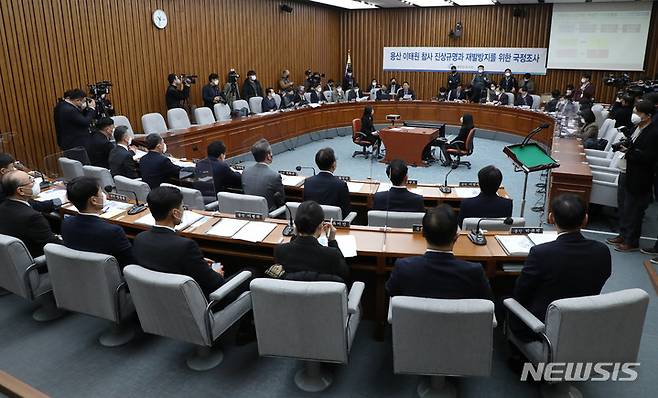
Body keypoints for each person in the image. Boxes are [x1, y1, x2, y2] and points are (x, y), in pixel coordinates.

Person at [512, 193, 611, 341]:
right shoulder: (602, 251)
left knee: (503, 299)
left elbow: (520, 293)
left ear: (551, 218)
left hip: (541, 327)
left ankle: (516, 353)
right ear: (585, 219)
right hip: (583, 321)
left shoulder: (541, 253)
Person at [132, 186, 226, 298]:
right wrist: (217, 274)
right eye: (182, 206)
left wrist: (197, 261)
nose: (183, 210)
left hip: (156, 300)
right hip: (196, 304)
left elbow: (164, 259)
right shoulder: (186, 246)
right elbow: (215, 283)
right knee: (248, 271)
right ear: (175, 213)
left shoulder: (140, 239)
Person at [386, 204, 492, 299]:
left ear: (423, 234)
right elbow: (488, 302)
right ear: (456, 237)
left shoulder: (403, 267)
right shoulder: (475, 272)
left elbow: (391, 293)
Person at [608, 101, 658, 252]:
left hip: (640, 177)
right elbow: (632, 143)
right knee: (624, 207)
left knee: (634, 210)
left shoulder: (654, 132)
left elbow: (649, 158)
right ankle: (622, 234)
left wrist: (628, 151)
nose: (635, 115)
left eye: (638, 113)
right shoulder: (637, 127)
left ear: (648, 116)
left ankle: (631, 241)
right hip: (626, 171)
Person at [61, 177, 134, 269]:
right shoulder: (113, 231)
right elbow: (130, 265)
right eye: (100, 192)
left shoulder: (66, 223)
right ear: (94, 200)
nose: (103, 195)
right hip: (110, 278)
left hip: (80, 273)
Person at [274, 201, 349, 282]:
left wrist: (295, 235)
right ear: (320, 225)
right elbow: (345, 276)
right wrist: (332, 241)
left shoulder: (280, 251)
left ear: (296, 224)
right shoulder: (331, 254)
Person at [0, 170, 62, 257]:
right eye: (31, 181)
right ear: (21, 191)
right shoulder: (33, 217)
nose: (35, 183)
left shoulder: (2, 207)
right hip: (41, 263)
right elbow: (56, 246)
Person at [303, 148, 351, 218]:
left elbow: (305, 206)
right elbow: (346, 212)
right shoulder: (341, 185)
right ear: (334, 164)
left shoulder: (308, 182)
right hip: (334, 226)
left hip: (313, 223)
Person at [241, 139, 284, 211]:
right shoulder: (274, 176)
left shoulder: (245, 172)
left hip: (249, 212)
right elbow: (281, 201)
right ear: (268, 156)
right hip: (269, 216)